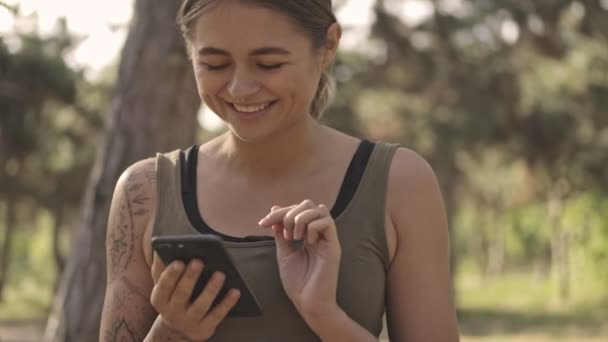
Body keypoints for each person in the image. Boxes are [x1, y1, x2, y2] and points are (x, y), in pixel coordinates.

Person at [99, 0, 460, 341]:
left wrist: (325, 316)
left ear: (328, 46)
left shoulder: (400, 183)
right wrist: (171, 332)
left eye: (268, 64)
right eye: (215, 65)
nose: (240, 87)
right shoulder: (145, 191)